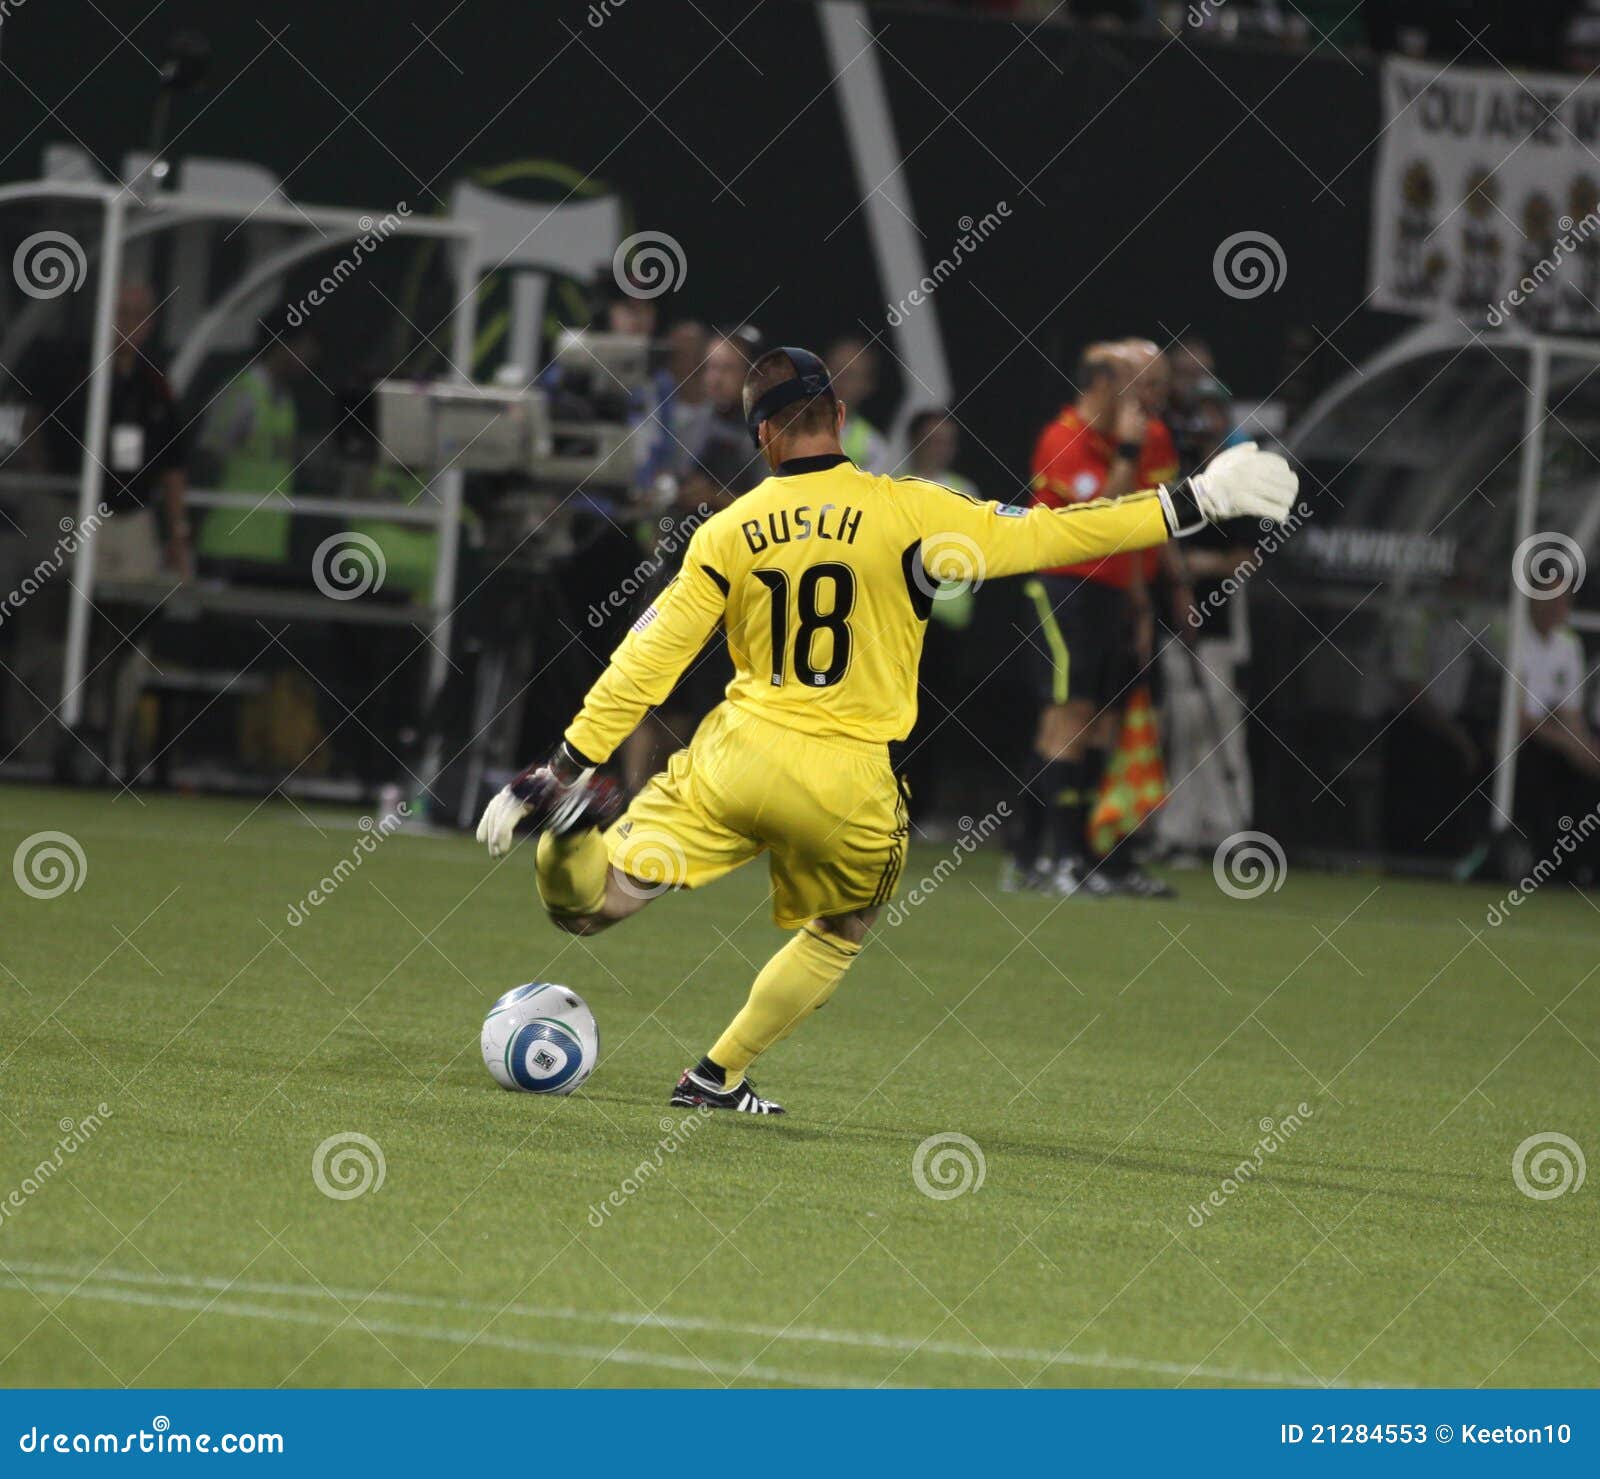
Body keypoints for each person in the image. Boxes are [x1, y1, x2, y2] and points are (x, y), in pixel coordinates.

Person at [475, 345, 1297, 1114]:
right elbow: (1055, 532)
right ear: (837, 411)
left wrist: (565, 763)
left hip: (733, 760)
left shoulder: (726, 530)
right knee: (839, 929)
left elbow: (647, 657)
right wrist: (1194, 500)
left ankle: (570, 830)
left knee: (591, 906)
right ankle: (717, 1076)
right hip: (846, 780)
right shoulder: (908, 509)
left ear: (763, 434)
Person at [1006, 340, 1182, 897]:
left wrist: (1142, 597)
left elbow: (1136, 529)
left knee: (1102, 721)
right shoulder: (1064, 439)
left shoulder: (1140, 439)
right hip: (1063, 587)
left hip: (1112, 593)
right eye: (1141, 386)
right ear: (1106, 385)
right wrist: (1127, 451)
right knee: (1068, 715)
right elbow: (1094, 523)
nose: (1150, 400)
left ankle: (1073, 854)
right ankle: (1048, 857)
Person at [194, 317, 316, 572]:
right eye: (302, 348)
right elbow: (207, 457)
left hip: (268, 547)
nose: (307, 358)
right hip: (227, 542)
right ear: (281, 345)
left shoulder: (286, 402)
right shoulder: (242, 393)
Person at [1514, 583, 1600, 876]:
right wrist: (1571, 746)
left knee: (1588, 777)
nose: (1556, 608)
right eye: (1549, 600)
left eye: (1563, 602)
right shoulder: (1514, 636)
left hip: (1554, 739)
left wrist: (1587, 751)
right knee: (1543, 770)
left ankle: (1581, 867)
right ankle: (1540, 865)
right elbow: (1520, 718)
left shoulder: (1568, 643)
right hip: (1519, 744)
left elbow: (1571, 714)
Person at [823, 335, 890, 472]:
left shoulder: (873, 448)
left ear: (867, 386)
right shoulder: (784, 424)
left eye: (850, 375)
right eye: (834, 370)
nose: (840, 380)